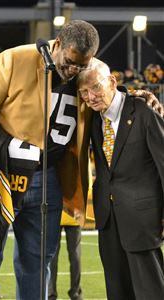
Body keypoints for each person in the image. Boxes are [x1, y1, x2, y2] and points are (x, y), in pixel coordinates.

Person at [0, 19, 163, 300]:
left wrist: (135, 96)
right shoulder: (14, 59)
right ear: (58, 44)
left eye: (81, 66)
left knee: (38, 264)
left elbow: (105, 91)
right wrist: (8, 146)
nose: (74, 71)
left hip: (47, 177)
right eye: (70, 62)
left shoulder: (85, 67)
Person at [77, 60, 164, 299]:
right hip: (108, 219)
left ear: (113, 81)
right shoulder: (94, 120)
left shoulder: (144, 111)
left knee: (151, 292)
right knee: (116, 291)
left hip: (143, 217)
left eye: (95, 87)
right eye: (84, 92)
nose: (90, 96)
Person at [48, 211, 82, 300]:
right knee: (75, 255)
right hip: (74, 214)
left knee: (52, 256)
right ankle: (75, 292)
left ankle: (51, 293)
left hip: (55, 214)